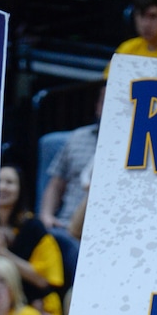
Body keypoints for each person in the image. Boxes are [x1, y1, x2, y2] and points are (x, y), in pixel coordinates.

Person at [0, 166, 64, 315]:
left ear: (21, 189)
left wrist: (3, 253)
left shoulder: (34, 229)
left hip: (35, 307)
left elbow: (44, 280)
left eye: (10, 182)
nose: (3, 187)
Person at [39, 84, 103, 233]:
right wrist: (46, 215)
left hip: (102, 230)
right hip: (65, 225)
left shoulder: (135, 146)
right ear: (97, 106)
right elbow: (56, 183)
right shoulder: (77, 137)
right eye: (103, 101)